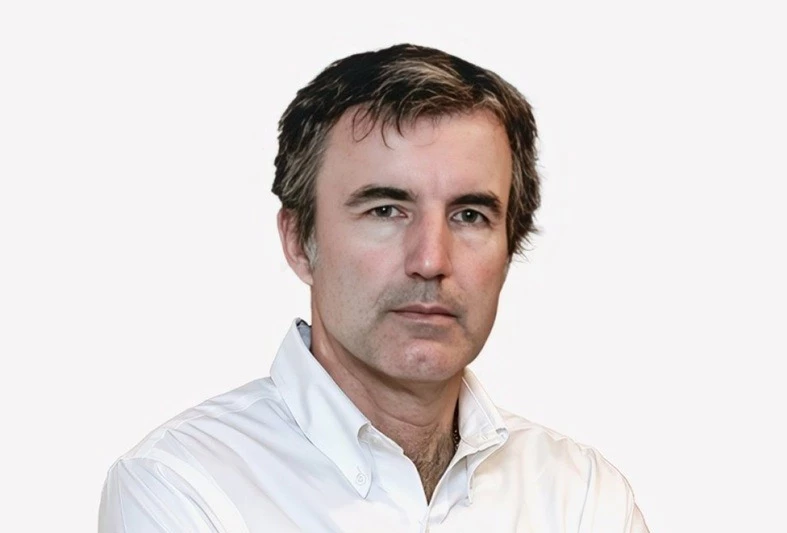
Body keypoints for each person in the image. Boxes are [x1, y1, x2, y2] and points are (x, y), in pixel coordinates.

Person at [99, 43, 649, 532]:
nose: (431, 260)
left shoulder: (582, 495)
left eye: (470, 215)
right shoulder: (183, 486)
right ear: (299, 241)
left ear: (509, 250)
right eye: (386, 210)